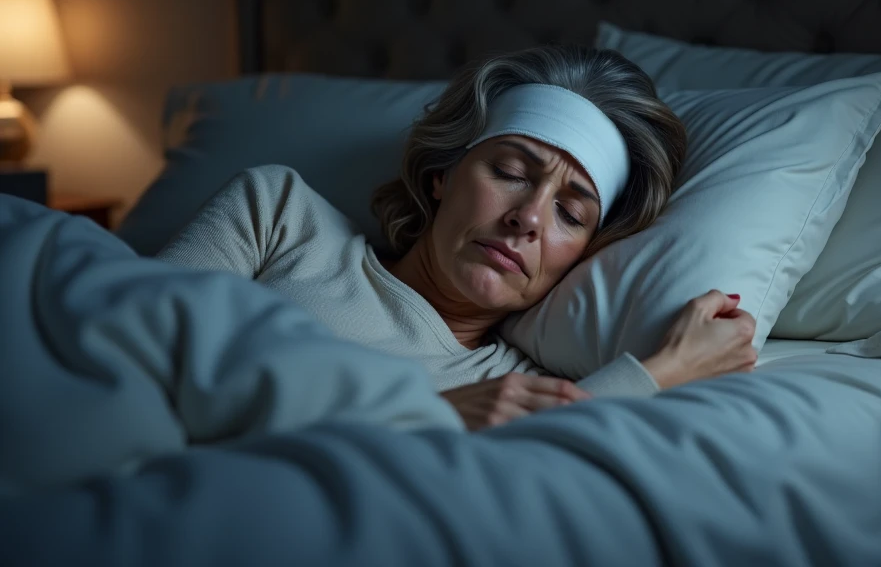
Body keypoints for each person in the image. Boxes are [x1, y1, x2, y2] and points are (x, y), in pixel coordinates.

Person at [158, 45, 757, 430]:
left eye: (570, 215)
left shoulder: (515, 391)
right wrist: (426, 416)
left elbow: (545, 471)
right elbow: (140, 355)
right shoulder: (278, 215)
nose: (528, 217)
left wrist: (666, 370)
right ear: (444, 174)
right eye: (510, 173)